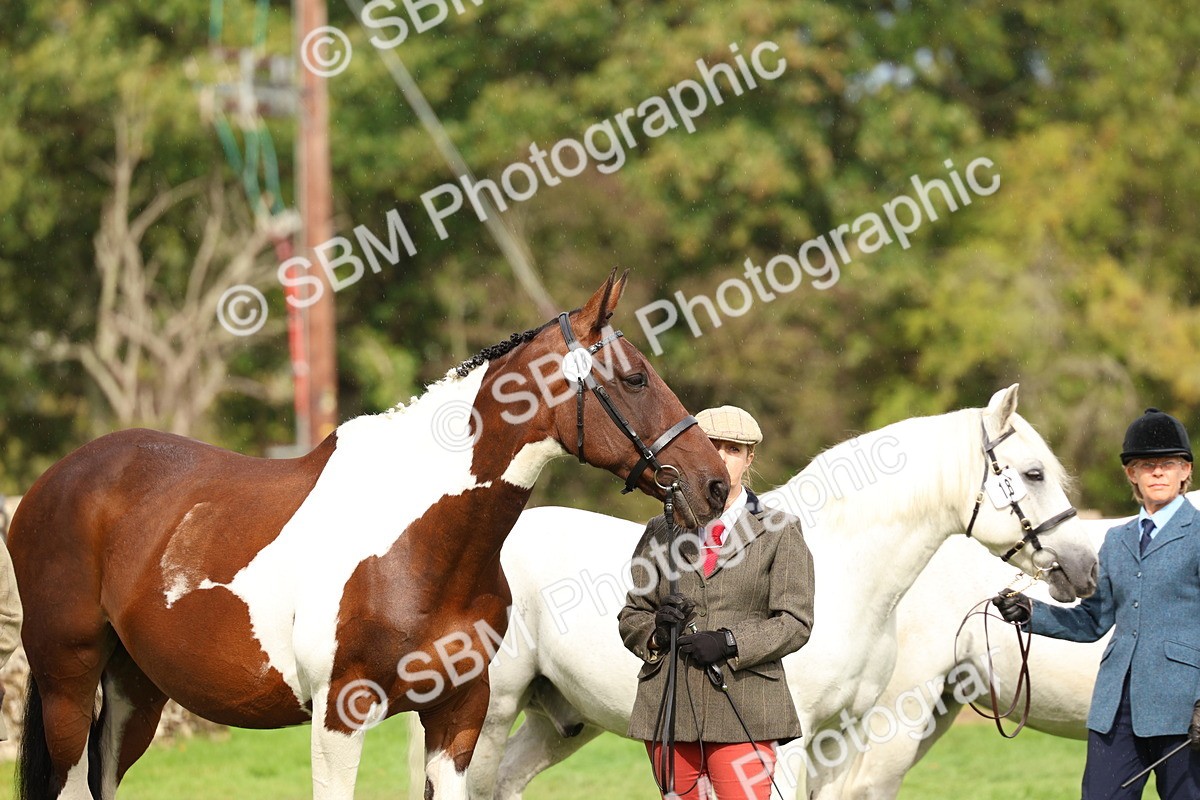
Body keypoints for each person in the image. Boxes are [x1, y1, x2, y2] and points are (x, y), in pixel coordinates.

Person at [994, 407, 1200, 798]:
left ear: (1185, 471)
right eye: (1146, 464)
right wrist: (1030, 613)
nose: (1158, 472)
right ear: (1131, 474)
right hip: (1115, 711)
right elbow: (1092, 622)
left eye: (1168, 464)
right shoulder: (1118, 541)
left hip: (1184, 710)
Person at [618, 405, 815, 800]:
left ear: (750, 458)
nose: (722, 458)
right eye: (712, 446)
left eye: (734, 449)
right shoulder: (661, 529)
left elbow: (795, 621)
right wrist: (656, 633)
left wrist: (729, 642)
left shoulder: (781, 530)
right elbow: (632, 615)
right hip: (671, 705)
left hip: (749, 703)